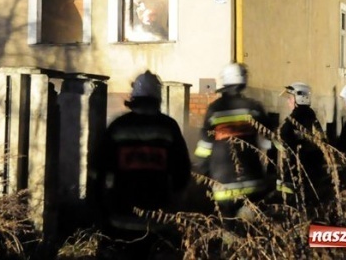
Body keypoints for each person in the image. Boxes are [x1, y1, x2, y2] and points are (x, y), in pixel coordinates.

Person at [91, 70, 192, 259]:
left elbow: (99, 170)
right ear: (157, 97)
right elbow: (182, 170)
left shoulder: (118, 126)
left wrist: (100, 209)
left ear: (134, 97)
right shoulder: (168, 127)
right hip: (158, 219)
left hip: (121, 219)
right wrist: (176, 204)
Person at [194, 63, 272, 227]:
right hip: (253, 181)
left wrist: (202, 172)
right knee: (252, 231)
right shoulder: (254, 108)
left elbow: (205, 146)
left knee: (229, 229)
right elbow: (270, 140)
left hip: (223, 184)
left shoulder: (215, 109)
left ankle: (231, 249)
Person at [274, 82, 328, 206]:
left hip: (292, 178)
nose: (288, 102)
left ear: (299, 98)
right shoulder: (313, 120)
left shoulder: (292, 120)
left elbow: (280, 142)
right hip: (313, 177)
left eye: (290, 98)